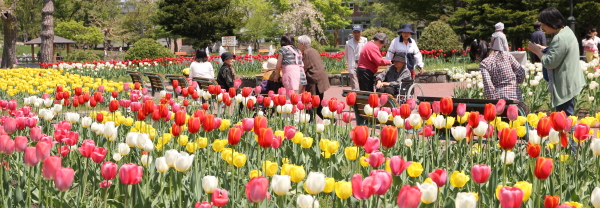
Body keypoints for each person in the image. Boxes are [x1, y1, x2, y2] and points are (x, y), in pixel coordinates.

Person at [528, 7, 585, 116]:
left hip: (564, 83)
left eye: (543, 25)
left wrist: (537, 52)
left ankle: (569, 133)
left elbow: (550, 62)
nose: (542, 28)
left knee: (564, 118)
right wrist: (545, 48)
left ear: (551, 22)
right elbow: (561, 51)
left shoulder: (560, 38)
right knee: (565, 117)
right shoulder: (567, 31)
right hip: (570, 80)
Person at [480, 37, 526, 102]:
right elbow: (521, 72)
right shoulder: (507, 55)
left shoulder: (484, 63)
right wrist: (513, 82)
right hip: (515, 97)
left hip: (498, 100)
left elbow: (488, 87)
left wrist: (492, 101)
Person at [298, 35, 331, 119]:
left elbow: (303, 69)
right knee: (317, 104)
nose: (298, 45)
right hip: (321, 80)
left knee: (311, 105)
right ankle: (329, 120)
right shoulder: (313, 50)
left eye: (298, 43)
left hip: (314, 81)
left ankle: (311, 123)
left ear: (302, 44)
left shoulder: (306, 53)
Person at [345, 24, 368, 90]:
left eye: (358, 32)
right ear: (352, 33)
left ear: (361, 32)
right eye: (355, 32)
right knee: (355, 85)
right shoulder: (348, 43)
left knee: (363, 82)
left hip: (363, 63)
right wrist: (349, 62)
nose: (356, 34)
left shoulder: (365, 41)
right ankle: (355, 98)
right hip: (353, 63)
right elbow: (347, 54)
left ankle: (362, 98)